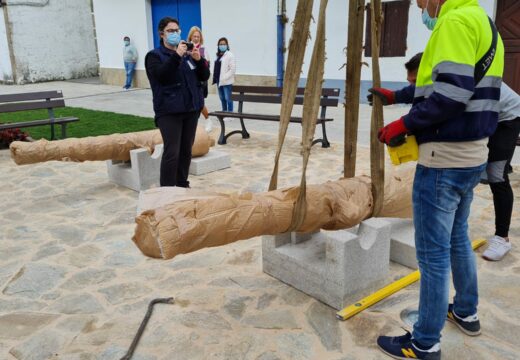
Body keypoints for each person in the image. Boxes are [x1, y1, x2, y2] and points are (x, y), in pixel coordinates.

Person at [375, 0, 504, 359]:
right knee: (458, 238)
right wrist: (397, 96)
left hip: (443, 160)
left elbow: (451, 94)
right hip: (473, 155)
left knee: (432, 256)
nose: (419, 5)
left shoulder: (453, 23)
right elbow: (449, 86)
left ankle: (425, 342)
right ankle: (466, 311)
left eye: (420, 0)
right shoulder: (484, 24)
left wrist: (404, 124)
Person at [370, 52, 520, 262]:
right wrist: (394, 96)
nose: (413, 85)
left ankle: (502, 238)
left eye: (415, 80)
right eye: (410, 82)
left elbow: (438, 109)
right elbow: (421, 91)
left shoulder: (454, 85)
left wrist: (405, 126)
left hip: (507, 118)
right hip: (482, 116)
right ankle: (458, 222)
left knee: (496, 175)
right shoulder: (439, 78)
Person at [144, 17, 210, 188]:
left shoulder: (187, 56)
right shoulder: (154, 56)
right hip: (169, 111)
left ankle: (182, 184)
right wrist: (177, 55)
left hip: (190, 110)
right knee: (172, 152)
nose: (175, 33)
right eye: (171, 31)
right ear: (162, 34)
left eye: (177, 30)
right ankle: (166, 190)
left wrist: (198, 59)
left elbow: (204, 76)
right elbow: (162, 76)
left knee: (186, 151)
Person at [188, 26, 212, 132]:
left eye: (198, 36)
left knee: (199, 102)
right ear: (191, 37)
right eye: (194, 36)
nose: (196, 38)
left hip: (200, 81)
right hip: (188, 80)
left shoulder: (203, 50)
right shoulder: (186, 48)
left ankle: (208, 120)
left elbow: (207, 66)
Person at [212, 37, 236, 112]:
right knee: (222, 98)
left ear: (227, 45)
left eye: (224, 44)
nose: (222, 46)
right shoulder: (218, 55)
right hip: (219, 80)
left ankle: (230, 113)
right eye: (220, 44)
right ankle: (224, 112)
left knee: (228, 98)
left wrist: (224, 77)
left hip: (226, 81)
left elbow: (232, 69)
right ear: (218, 46)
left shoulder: (230, 55)